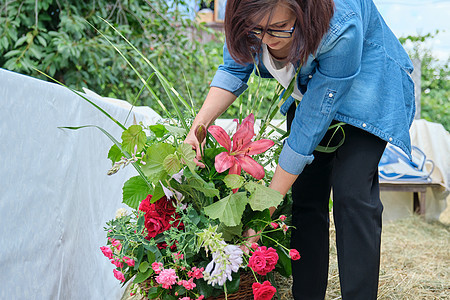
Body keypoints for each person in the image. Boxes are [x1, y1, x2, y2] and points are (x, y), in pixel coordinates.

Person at [184, 0, 415, 299]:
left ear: (302, 10)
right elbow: (233, 67)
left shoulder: (339, 25)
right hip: (311, 83)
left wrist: (263, 214)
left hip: (367, 82)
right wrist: (198, 129)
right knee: (305, 196)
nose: (266, 40)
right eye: (257, 30)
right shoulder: (246, 13)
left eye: (279, 28)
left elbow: (305, 134)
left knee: (352, 192)